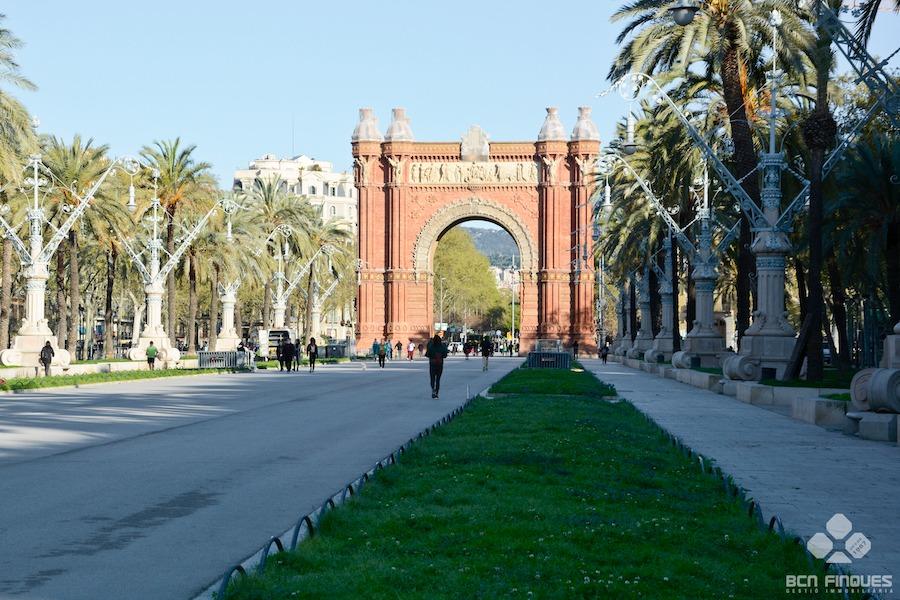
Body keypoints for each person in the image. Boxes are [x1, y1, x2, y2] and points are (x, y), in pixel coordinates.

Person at [425, 334, 448, 399]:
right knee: (438, 379)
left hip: (432, 364)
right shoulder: (443, 346)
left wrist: (433, 356)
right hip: (440, 364)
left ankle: (433, 390)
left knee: (432, 378)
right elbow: (445, 355)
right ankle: (437, 393)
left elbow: (427, 355)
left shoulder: (431, 346)